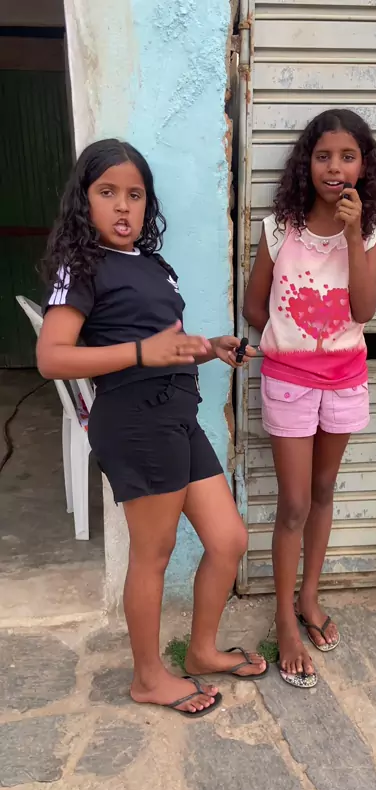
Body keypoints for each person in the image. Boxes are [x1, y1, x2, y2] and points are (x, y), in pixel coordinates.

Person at [37, 139, 267, 717]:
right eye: (107, 192)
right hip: (135, 422)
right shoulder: (81, 267)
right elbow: (52, 357)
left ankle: (202, 650)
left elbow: (168, 344)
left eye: (135, 195)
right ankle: (147, 678)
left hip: (176, 416)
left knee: (228, 539)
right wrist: (143, 353)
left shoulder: (151, 266)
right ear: (83, 200)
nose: (123, 206)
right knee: (154, 553)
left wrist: (209, 347)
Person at [243, 109, 376, 688]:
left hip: (346, 380)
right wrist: (295, 342)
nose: (335, 167)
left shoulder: (370, 229)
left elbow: (364, 309)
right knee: (295, 503)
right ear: (307, 164)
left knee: (325, 491)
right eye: (323, 156)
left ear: (363, 167)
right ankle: (284, 618)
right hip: (289, 381)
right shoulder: (281, 228)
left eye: (347, 157)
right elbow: (255, 306)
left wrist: (352, 235)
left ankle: (309, 597)